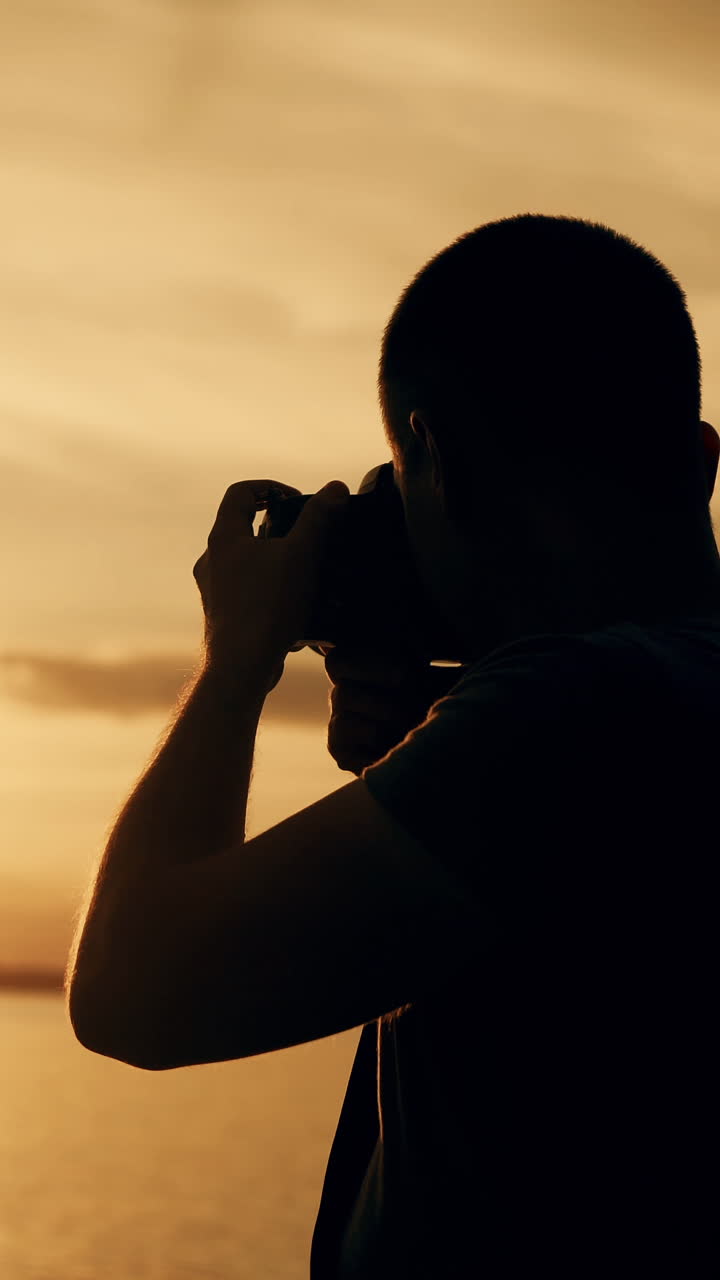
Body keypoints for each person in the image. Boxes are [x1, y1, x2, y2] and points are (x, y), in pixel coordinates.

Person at [68, 214, 720, 1277]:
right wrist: (420, 740)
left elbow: (134, 992)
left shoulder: (564, 716)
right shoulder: (646, 707)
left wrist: (237, 662)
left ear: (440, 464)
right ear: (701, 461)